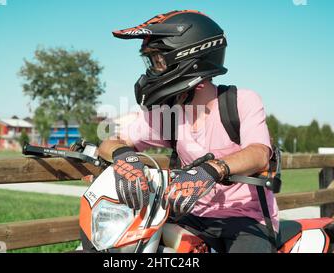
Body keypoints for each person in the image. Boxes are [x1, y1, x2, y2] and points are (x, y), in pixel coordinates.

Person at [98, 10, 279, 253]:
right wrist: (124, 156)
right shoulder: (167, 114)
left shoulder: (241, 101)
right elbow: (112, 141)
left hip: (247, 220)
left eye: (158, 61)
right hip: (191, 215)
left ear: (190, 58)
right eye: (150, 62)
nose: (152, 71)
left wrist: (213, 169)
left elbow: (258, 153)